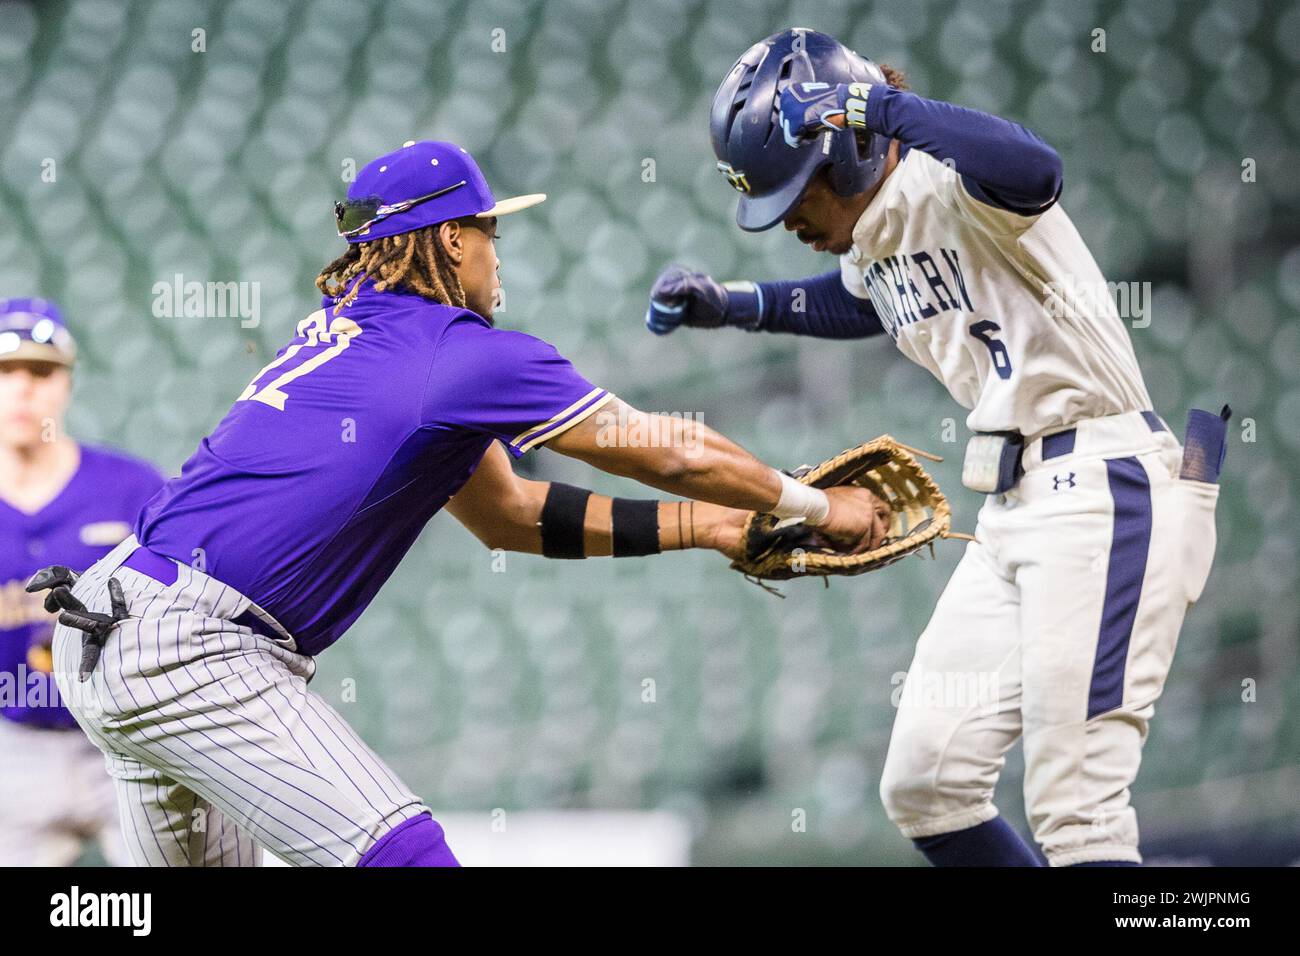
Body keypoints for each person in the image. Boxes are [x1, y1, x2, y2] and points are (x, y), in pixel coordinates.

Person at [33, 139, 889, 867]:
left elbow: (506, 514)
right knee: (408, 857)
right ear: (446, 239)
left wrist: (712, 529)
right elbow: (664, 448)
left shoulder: (368, 341)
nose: (496, 249)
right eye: (487, 230)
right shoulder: (463, 355)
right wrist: (813, 503)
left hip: (113, 628)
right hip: (197, 648)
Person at [644, 29, 1223, 866]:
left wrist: (880, 105)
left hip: (1103, 485)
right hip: (1016, 510)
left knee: (1078, 813)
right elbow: (867, 302)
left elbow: (1037, 171)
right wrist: (734, 303)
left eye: (797, 191)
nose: (791, 221)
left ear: (844, 146)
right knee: (926, 782)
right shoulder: (874, 227)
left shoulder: (953, 177)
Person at [0, 298, 164, 865]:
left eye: (41, 371)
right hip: (14, 747)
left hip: (129, 736)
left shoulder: (130, 488)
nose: (24, 388)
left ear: (66, 381)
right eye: (6, 371)